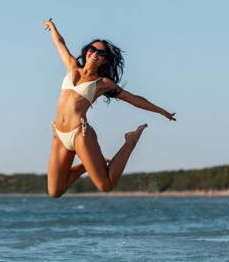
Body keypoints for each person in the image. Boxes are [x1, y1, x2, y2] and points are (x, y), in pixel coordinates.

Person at [43, 18, 176, 198]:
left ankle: (130, 142)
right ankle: (84, 166)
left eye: (101, 53)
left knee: (106, 185)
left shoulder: (103, 83)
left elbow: (133, 98)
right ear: (87, 51)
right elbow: (59, 43)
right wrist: (52, 27)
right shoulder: (72, 66)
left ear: (105, 61)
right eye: (92, 49)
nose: (95, 53)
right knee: (55, 191)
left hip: (79, 134)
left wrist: (161, 111)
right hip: (59, 134)